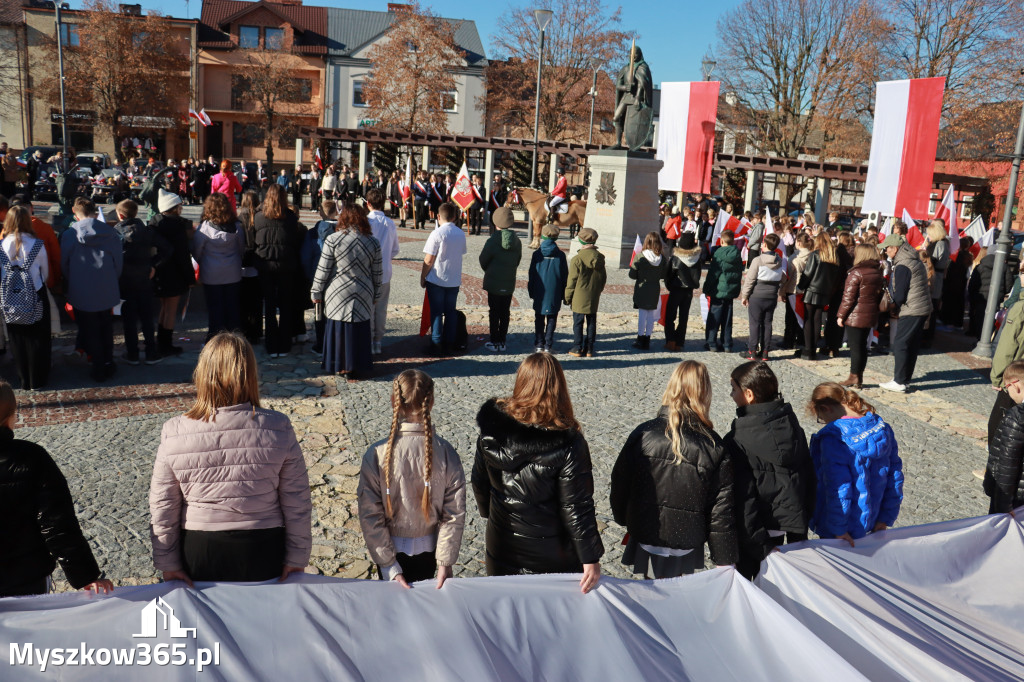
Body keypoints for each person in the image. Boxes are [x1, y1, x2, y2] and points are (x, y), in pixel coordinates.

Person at [149, 333, 312, 584]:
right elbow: (297, 500)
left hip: (199, 548)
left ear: (203, 374)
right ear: (250, 374)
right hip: (263, 548)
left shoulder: (175, 430)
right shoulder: (277, 426)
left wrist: (167, 562)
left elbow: (163, 504)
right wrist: (297, 556)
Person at [472, 353, 603, 593]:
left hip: (501, 542)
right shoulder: (568, 443)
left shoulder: (492, 430)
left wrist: (491, 516)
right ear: (558, 386)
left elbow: (479, 483)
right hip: (550, 553)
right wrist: (590, 558)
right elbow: (576, 507)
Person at [611, 359, 737, 578]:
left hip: (646, 530)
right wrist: (724, 559)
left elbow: (621, 482)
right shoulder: (713, 445)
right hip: (687, 539)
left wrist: (624, 518)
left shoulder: (644, 433)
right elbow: (721, 509)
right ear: (704, 392)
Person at [0, 381, 114, 596]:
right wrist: (85, 576)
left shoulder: (32, 458)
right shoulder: (32, 457)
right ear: (10, 417)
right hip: (26, 578)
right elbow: (57, 524)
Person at [358, 369, 466, 587]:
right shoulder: (446, 452)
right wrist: (445, 561)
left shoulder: (377, 453)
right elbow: (454, 511)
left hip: (391, 551)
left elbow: (370, 514)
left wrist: (388, 565)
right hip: (430, 551)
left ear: (393, 401)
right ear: (432, 402)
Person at [724, 362, 814, 579]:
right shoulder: (792, 426)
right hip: (786, 528)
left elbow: (742, 499)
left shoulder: (737, 439)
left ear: (748, 394)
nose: (731, 394)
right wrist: (798, 536)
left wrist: (761, 546)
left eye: (734, 389)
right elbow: (807, 479)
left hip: (755, 537)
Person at [806, 383, 903, 545]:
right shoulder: (882, 428)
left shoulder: (835, 439)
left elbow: (838, 488)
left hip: (839, 528)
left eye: (820, 418)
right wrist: (885, 517)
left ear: (826, 409)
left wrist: (839, 529)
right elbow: (895, 476)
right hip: (872, 520)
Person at [311, 205, 382, 378]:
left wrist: (316, 292)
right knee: (359, 330)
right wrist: (376, 294)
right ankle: (358, 365)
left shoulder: (333, 239)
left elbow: (323, 270)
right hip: (363, 291)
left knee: (339, 330)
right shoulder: (373, 242)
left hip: (338, 293)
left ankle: (341, 365)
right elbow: (378, 273)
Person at [61, 197, 123, 382]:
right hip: (106, 285)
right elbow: (118, 262)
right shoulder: (110, 233)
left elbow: (64, 264)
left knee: (90, 328)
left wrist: (71, 279)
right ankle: (107, 362)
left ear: (74, 211)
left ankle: (97, 366)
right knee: (105, 326)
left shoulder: (69, 234)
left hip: (81, 287)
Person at [113, 199, 171, 365]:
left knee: (129, 319)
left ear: (120, 215)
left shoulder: (116, 232)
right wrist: (154, 264)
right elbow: (167, 249)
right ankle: (151, 352)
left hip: (125, 280)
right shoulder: (146, 230)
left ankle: (133, 353)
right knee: (146, 317)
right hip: (145, 277)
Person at [0, 206, 51, 389]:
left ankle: (23, 379)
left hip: (10, 296)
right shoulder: (37, 244)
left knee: (16, 337)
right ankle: (37, 377)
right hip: (35, 292)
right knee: (37, 336)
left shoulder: (2, 244)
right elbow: (44, 272)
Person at [251, 185, 302, 357]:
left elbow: (254, 241)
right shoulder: (290, 218)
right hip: (286, 265)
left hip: (265, 265)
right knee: (286, 304)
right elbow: (295, 241)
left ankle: (272, 344)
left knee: (270, 306)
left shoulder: (258, 217)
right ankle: (285, 344)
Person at [879, 234, 933, 392]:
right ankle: (905, 379)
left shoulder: (903, 265)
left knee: (901, 343)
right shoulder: (913, 260)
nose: (886, 252)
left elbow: (900, 294)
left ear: (895, 249)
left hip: (912, 308)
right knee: (912, 344)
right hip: (921, 307)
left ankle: (899, 381)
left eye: (887, 249)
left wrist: (893, 305)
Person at [192, 192, 244, 340]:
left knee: (215, 310)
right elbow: (242, 249)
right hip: (233, 272)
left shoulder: (204, 228)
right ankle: (235, 339)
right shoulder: (237, 227)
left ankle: (214, 340)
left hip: (211, 273)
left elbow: (197, 252)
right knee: (233, 309)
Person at [150, 189, 195, 357]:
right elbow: (183, 255)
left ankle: (160, 341)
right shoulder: (177, 226)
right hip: (174, 272)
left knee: (164, 307)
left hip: (160, 271)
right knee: (171, 309)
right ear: (174, 207)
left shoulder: (155, 222)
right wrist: (190, 277)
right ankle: (166, 344)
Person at [836, 244, 885, 389]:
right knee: (862, 347)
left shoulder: (856, 273)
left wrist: (840, 315)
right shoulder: (877, 272)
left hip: (856, 314)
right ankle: (859, 376)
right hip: (870, 313)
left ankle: (854, 376)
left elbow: (848, 298)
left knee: (856, 348)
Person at [421, 202, 466, 355]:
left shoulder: (437, 233)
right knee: (450, 312)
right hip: (453, 279)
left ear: (438, 217)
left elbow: (428, 260)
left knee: (436, 313)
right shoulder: (461, 233)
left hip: (437, 278)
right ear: (454, 217)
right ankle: (449, 342)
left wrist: (423, 277)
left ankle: (436, 343)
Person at [983, 360, 1024, 513]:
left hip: (1014, 501)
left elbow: (1007, 467)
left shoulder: (1017, 418)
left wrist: (1002, 507)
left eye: (1007, 388)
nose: (1008, 392)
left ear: (1016, 385)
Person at [479, 206, 522, 352]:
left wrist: (490, 271)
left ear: (495, 222)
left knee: (494, 312)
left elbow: (483, 260)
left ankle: (494, 341)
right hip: (508, 281)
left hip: (493, 281)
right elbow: (517, 261)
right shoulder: (517, 241)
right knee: (505, 312)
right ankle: (502, 341)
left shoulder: (492, 241)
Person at [739, 233, 787, 360]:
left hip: (757, 296)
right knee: (767, 323)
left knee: (755, 323)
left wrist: (744, 296)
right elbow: (783, 278)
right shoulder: (779, 260)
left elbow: (750, 280)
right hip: (771, 296)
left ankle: (752, 351)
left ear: (764, 245)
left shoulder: (758, 260)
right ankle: (765, 351)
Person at [797, 232, 842, 361]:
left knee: (808, 320)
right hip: (825, 291)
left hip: (812, 290)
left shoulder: (816, 255)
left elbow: (808, 273)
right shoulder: (834, 257)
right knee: (817, 319)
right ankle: (813, 349)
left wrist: (800, 286)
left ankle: (808, 350)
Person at [366, 189, 399, 355]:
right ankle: (377, 341)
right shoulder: (390, 223)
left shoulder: (365, 221)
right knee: (381, 308)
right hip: (384, 271)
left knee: (368, 308)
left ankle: (369, 338)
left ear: (368, 204)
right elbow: (395, 250)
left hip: (367, 271)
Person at [565, 227, 606, 357]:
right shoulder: (600, 258)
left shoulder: (577, 259)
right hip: (593, 295)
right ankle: (589, 348)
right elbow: (603, 278)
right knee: (591, 321)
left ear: (581, 241)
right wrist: (597, 291)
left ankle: (577, 347)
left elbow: (572, 281)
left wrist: (567, 297)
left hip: (579, 295)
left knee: (578, 322)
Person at [528, 224, 568, 354]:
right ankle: (548, 344)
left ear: (543, 235)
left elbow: (532, 274)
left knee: (539, 317)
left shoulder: (536, 254)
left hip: (540, 290)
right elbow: (564, 276)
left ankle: (539, 343)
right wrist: (563, 293)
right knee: (552, 318)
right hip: (555, 291)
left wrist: (531, 290)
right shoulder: (561, 255)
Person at [703, 229, 742, 353]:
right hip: (730, 290)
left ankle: (712, 342)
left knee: (715, 316)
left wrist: (706, 289)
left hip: (719, 290)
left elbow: (713, 274)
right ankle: (726, 344)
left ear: (722, 241)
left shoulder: (719, 253)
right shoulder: (737, 253)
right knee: (727, 318)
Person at [662, 231, 701, 352]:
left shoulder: (675, 258)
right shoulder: (697, 258)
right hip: (688, 291)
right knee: (684, 317)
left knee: (670, 316)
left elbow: (667, 275)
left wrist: (669, 286)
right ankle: (680, 343)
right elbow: (697, 276)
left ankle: (671, 340)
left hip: (675, 289)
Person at [629, 231, 668, 351]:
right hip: (654, 288)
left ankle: (640, 338)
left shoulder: (640, 256)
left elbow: (632, 275)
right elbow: (663, 275)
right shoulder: (662, 258)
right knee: (651, 315)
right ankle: (647, 339)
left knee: (642, 314)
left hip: (642, 287)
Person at [237, 189, 264, 345]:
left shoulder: (239, 219)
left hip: (241, 265)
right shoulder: (260, 218)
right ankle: (256, 332)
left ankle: (244, 330)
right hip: (257, 264)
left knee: (243, 302)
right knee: (256, 302)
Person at [922, 220, 950, 347]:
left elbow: (933, 259)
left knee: (931, 307)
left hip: (935, 277)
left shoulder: (941, 244)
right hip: (934, 275)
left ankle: (927, 337)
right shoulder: (939, 243)